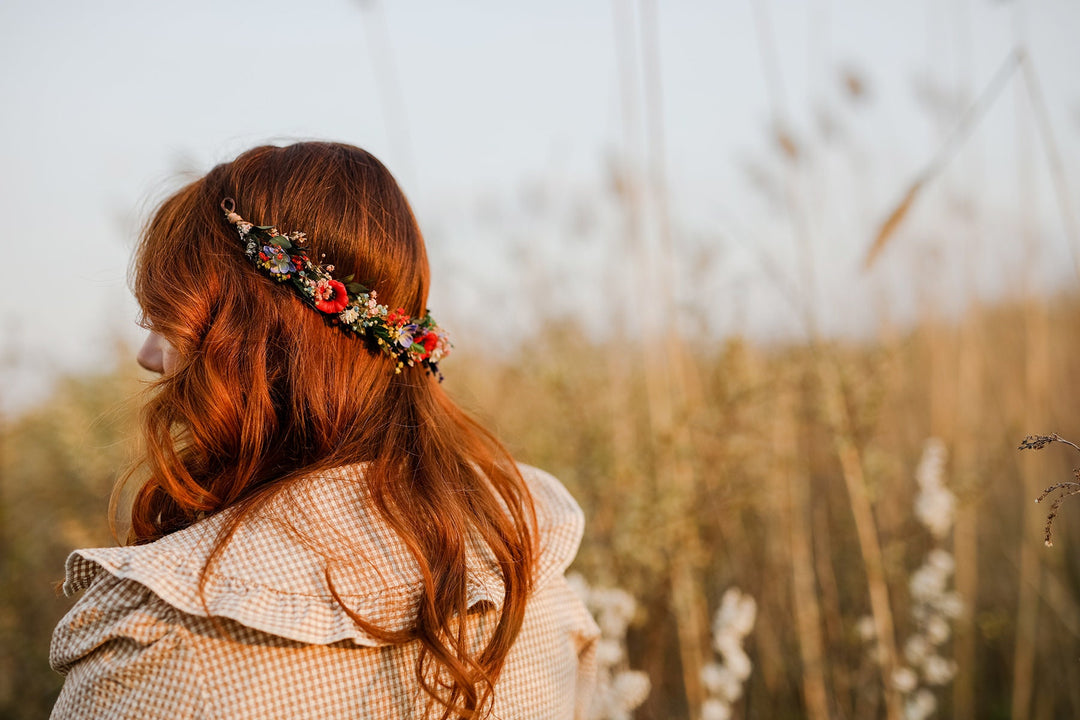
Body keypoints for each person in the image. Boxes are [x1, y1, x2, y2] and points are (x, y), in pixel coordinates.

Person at [49, 142, 599, 719]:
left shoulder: (164, 641)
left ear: (254, 342)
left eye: (170, 323)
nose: (147, 355)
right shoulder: (532, 576)